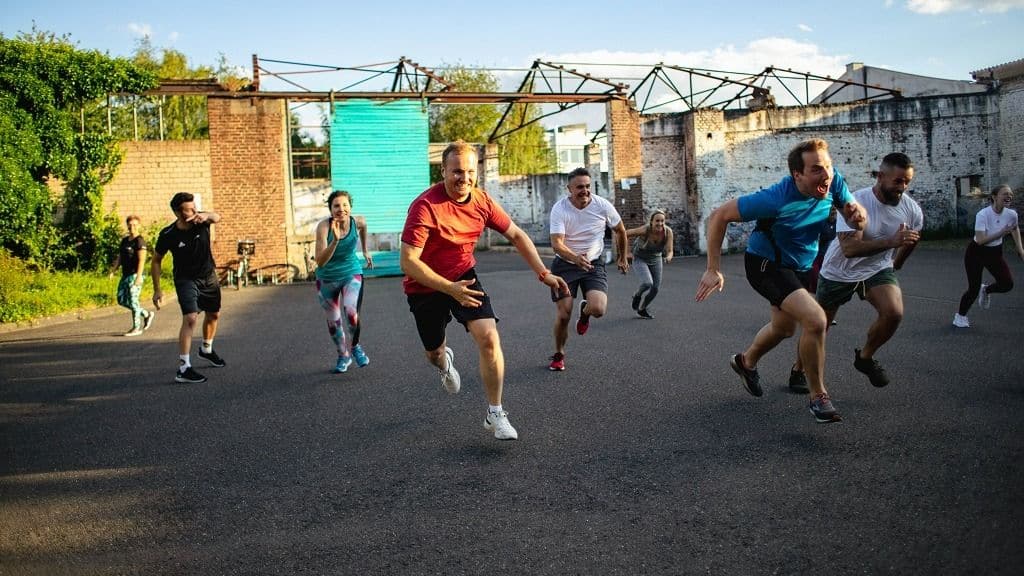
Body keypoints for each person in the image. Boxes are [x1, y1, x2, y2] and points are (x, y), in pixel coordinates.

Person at [400, 140, 569, 441]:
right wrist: (448, 288)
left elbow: (516, 234)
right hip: (426, 285)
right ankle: (445, 362)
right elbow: (409, 262)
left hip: (463, 276)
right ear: (443, 171)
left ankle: (495, 413)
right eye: (456, 172)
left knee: (489, 338)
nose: (463, 178)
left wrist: (544, 273)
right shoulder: (425, 207)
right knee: (434, 353)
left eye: (469, 171)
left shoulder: (482, 202)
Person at [694, 138, 867, 424]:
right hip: (766, 264)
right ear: (797, 175)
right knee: (816, 319)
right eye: (815, 170)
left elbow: (858, 218)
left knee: (784, 328)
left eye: (827, 166)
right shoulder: (776, 198)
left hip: (799, 264)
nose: (825, 175)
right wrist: (713, 268)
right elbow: (719, 215)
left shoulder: (834, 182)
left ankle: (745, 362)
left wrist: (858, 216)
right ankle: (818, 396)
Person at [788, 153, 923, 393]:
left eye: (907, 182)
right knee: (819, 326)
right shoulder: (855, 203)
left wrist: (897, 264)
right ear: (880, 176)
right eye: (897, 181)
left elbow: (912, 239)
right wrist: (892, 242)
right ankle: (799, 369)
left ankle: (865, 358)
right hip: (838, 272)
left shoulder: (911, 210)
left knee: (893, 313)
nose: (902, 187)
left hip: (876, 269)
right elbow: (850, 248)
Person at [547, 167, 629, 371]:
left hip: (593, 263)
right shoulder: (560, 208)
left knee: (599, 309)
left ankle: (584, 314)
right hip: (565, 265)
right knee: (564, 314)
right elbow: (557, 244)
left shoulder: (602, 205)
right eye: (580, 187)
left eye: (588, 186)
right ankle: (559, 354)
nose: (585, 191)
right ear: (569, 188)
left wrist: (622, 257)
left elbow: (620, 230)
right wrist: (575, 258)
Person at [151, 192, 226, 384]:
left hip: (208, 276)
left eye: (195, 207)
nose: (194, 211)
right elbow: (156, 260)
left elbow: (217, 216)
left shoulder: (202, 221)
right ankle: (184, 368)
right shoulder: (168, 234)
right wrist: (157, 289)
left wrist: (207, 215)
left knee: (214, 315)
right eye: (189, 209)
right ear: (177, 212)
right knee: (191, 318)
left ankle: (206, 349)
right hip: (186, 279)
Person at [314, 190, 374, 373]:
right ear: (331, 209)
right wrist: (335, 242)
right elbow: (320, 261)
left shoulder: (358, 221)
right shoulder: (324, 227)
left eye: (345, 205)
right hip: (326, 278)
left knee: (351, 311)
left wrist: (365, 250)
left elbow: (364, 228)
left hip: (351, 272)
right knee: (334, 320)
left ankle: (355, 346)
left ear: (350, 206)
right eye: (336, 206)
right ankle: (343, 355)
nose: (341, 209)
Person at [953, 184, 1023, 328]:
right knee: (973, 289)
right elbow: (980, 240)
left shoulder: (1011, 214)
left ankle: (986, 289)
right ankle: (959, 317)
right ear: (994, 197)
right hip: (976, 253)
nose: (1009, 196)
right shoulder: (983, 214)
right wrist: (1001, 233)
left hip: (995, 252)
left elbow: (1015, 228)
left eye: (1010, 194)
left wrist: (1020, 250)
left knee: (1007, 284)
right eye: (1005, 194)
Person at [110, 215, 156, 336]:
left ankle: (136, 328)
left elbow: (142, 260)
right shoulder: (125, 240)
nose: (132, 227)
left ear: (139, 226)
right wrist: (113, 270)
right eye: (130, 225)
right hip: (125, 274)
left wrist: (138, 277)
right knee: (121, 299)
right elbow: (120, 257)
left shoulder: (139, 241)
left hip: (135, 274)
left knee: (133, 300)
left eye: (135, 225)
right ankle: (146, 314)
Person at [626, 209, 674, 320]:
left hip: (656, 259)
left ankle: (642, 309)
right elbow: (625, 233)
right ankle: (637, 295)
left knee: (655, 288)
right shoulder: (645, 230)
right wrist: (627, 252)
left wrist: (668, 257)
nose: (660, 224)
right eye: (657, 221)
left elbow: (670, 250)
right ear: (651, 222)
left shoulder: (668, 232)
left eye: (662, 221)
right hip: (640, 258)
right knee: (647, 283)